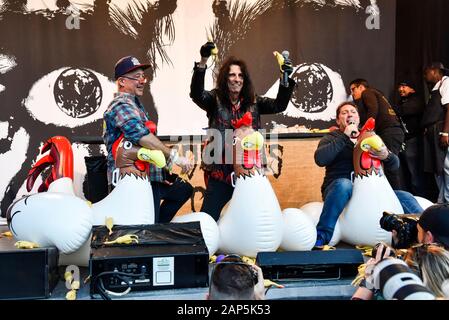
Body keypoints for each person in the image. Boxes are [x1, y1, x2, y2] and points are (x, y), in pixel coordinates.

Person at [190, 42, 295, 221]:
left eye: (240, 75)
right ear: (225, 78)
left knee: (256, 220)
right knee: (209, 218)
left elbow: (279, 105)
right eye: (232, 75)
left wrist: (285, 77)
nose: (236, 79)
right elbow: (197, 94)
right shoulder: (215, 99)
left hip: (249, 170)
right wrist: (203, 60)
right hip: (221, 172)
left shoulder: (253, 101)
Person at [314, 102, 423, 247]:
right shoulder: (331, 137)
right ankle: (322, 234)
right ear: (338, 120)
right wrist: (345, 136)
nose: (350, 114)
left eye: (353, 112)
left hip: (370, 191)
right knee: (344, 185)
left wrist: (386, 156)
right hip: (341, 189)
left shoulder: (369, 137)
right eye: (344, 112)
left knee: (405, 196)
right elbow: (320, 159)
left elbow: (394, 165)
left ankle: (427, 229)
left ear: (358, 118)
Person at [103, 56, 193, 223]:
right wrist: (174, 157)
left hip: (149, 177)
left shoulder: (135, 104)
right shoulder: (120, 105)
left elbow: (146, 148)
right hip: (131, 181)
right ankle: (155, 228)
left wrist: (163, 170)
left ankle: (158, 225)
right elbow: (142, 137)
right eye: (137, 77)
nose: (142, 81)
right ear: (122, 81)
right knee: (147, 228)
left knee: (183, 189)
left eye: (143, 77)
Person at [349, 79, 404, 189]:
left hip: (390, 131)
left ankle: (396, 196)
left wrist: (365, 130)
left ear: (361, 87)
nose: (352, 93)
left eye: (353, 89)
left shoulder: (367, 92)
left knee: (390, 167)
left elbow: (373, 109)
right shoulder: (376, 95)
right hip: (392, 131)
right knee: (387, 164)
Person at [422, 62, 449, 204]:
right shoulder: (436, 87)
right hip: (433, 131)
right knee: (437, 168)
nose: (425, 76)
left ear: (434, 71)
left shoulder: (447, 83)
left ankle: (447, 202)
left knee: (446, 167)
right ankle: (441, 201)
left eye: (427, 73)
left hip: (441, 130)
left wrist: (445, 133)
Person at [395, 80, 426, 196]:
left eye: (404, 86)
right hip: (404, 140)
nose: (401, 89)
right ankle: (410, 197)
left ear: (412, 89)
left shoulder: (416, 100)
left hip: (413, 140)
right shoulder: (402, 101)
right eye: (400, 86)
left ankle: (419, 198)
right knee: (405, 173)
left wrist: (388, 108)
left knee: (415, 173)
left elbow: (404, 110)